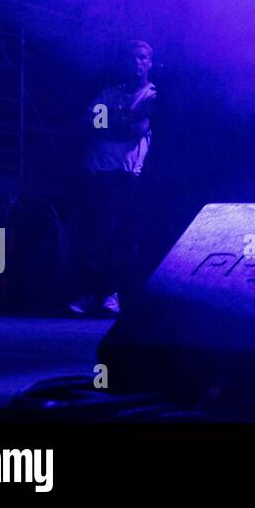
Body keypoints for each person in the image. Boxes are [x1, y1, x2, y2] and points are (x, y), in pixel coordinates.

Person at [67, 39, 156, 316]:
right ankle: (90, 292)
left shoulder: (151, 95)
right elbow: (87, 123)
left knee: (115, 235)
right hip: (96, 170)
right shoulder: (109, 93)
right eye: (132, 57)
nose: (136, 63)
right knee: (93, 234)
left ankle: (110, 294)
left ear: (149, 63)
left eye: (142, 58)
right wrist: (118, 121)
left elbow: (135, 130)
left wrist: (110, 123)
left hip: (125, 175)